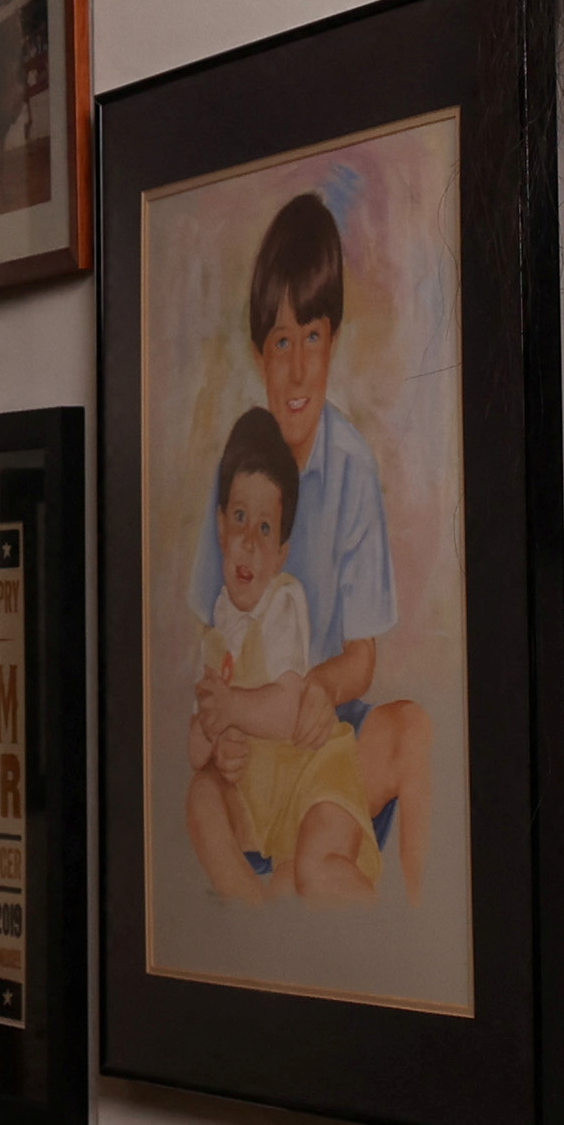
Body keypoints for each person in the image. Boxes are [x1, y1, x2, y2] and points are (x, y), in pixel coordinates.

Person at [186, 193, 433, 895]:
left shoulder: (352, 468)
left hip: (324, 737)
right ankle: (260, 908)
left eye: (313, 338)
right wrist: (218, 732)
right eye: (281, 343)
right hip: (249, 755)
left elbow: (361, 659)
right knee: (198, 801)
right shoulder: (234, 471)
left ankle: (352, 897)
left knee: (413, 727)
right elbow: (212, 639)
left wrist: (320, 688)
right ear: (260, 351)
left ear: (335, 340)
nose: (297, 369)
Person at [188, 407, 371, 902]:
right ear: (221, 525)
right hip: (257, 797)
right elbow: (196, 741)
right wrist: (210, 737)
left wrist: (231, 710)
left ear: (281, 553)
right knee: (200, 796)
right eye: (241, 519)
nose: (249, 542)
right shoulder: (214, 624)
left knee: (313, 871)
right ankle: (250, 901)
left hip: (307, 775)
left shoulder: (283, 601)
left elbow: (291, 709)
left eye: (265, 529)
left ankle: (289, 903)